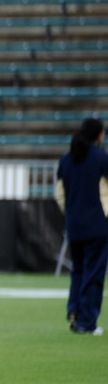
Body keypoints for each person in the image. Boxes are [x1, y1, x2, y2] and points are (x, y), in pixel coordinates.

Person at [55, 117, 108, 336]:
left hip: (74, 224)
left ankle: (75, 311)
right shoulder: (101, 158)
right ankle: (87, 321)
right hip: (97, 224)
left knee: (78, 270)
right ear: (98, 135)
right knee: (93, 272)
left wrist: (71, 214)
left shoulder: (67, 159)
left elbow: (60, 194)